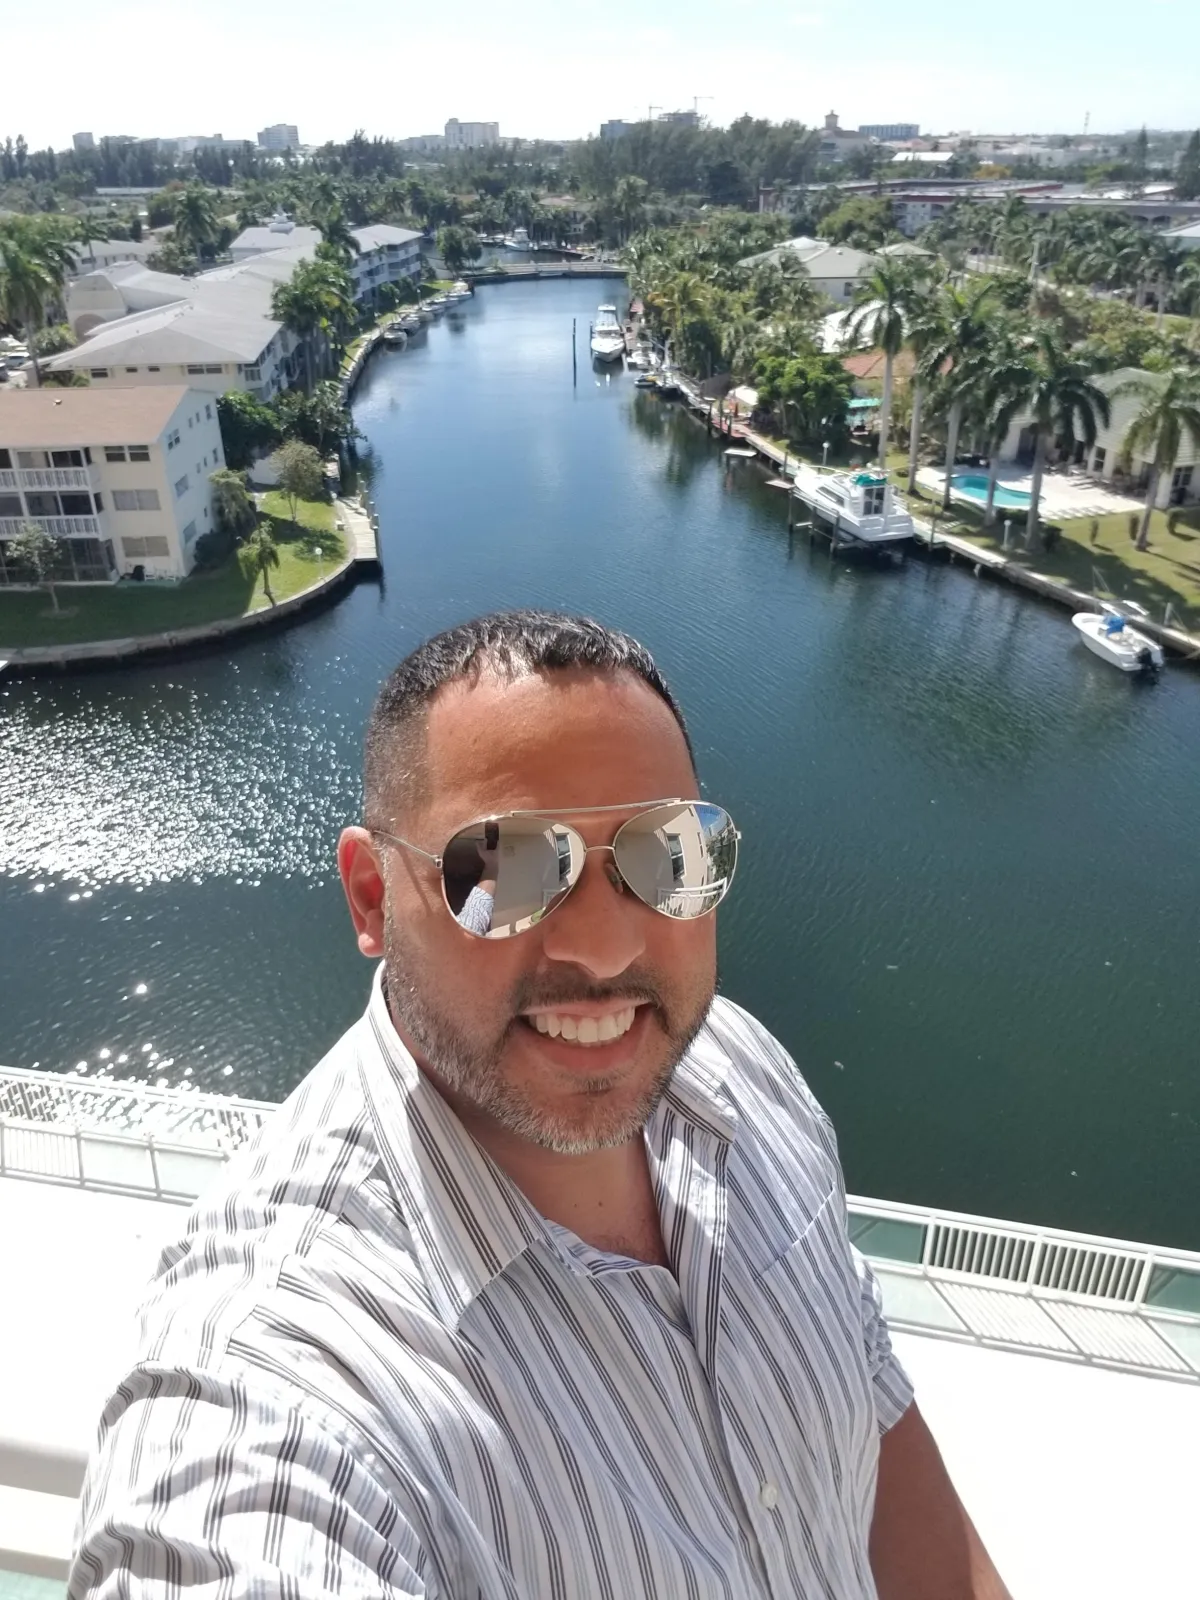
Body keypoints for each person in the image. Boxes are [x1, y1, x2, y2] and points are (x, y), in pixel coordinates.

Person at [71, 611, 1010, 1600]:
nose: (605, 951)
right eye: (504, 870)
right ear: (371, 896)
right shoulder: (279, 1380)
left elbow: (875, 1419)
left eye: (668, 855)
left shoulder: (741, 1069)